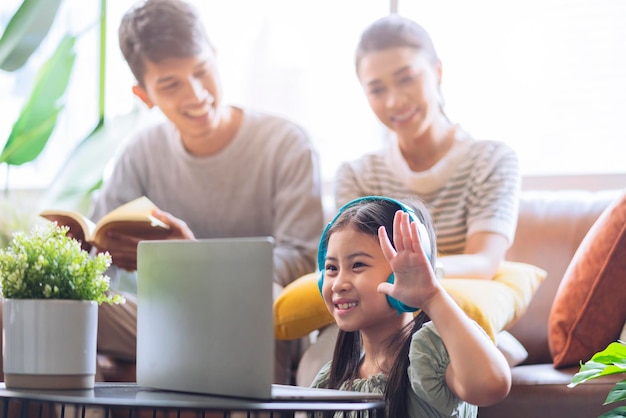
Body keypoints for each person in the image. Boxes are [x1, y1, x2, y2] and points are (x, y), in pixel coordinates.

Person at [91, 0, 324, 385]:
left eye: (202, 71)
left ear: (215, 57)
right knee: (42, 308)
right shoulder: (141, 152)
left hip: (252, 314)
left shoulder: (286, 143)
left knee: (262, 304)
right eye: (170, 84)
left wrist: (196, 260)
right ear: (144, 94)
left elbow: (303, 259)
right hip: (162, 316)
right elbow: (102, 248)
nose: (196, 94)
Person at [336, 14, 521, 280]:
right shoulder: (357, 175)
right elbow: (351, 267)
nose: (394, 101)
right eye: (377, 90)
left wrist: (417, 272)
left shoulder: (491, 161)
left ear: (437, 72)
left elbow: (483, 261)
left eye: (407, 78)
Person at [312, 196, 511, 417]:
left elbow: (491, 385)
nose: (339, 283)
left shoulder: (430, 355)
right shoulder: (331, 381)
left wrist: (432, 296)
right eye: (331, 268)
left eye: (358, 265)